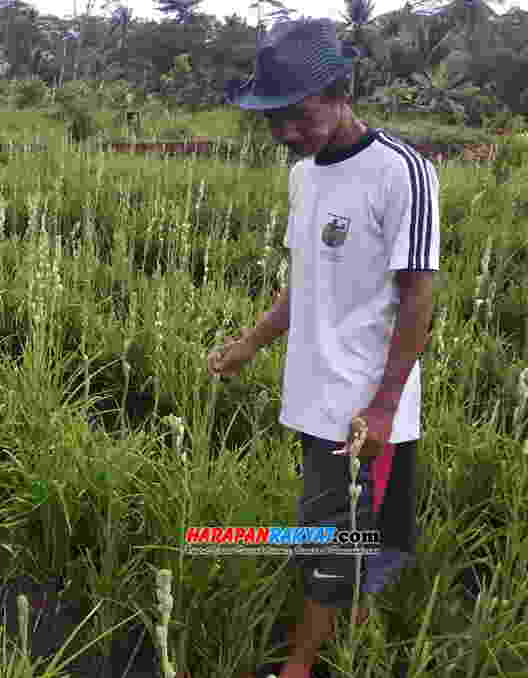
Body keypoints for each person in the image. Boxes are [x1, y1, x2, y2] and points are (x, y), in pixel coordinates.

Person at [212, 17, 439, 678]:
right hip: (312, 395)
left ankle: (301, 663)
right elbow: (304, 286)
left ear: (342, 91)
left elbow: (419, 298)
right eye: (273, 118)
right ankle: (357, 636)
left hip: (364, 407)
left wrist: (384, 407)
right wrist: (249, 344)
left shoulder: (404, 172)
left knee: (330, 539)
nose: (286, 132)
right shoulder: (304, 176)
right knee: (343, 532)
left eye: (299, 115)